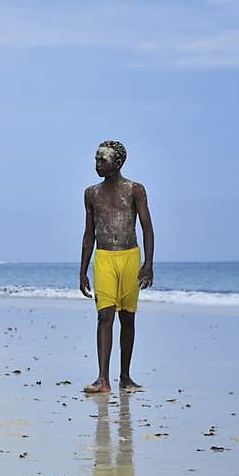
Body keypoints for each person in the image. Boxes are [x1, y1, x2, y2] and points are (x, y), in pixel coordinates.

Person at [79, 140, 154, 393]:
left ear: (118, 163)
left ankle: (125, 377)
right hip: (104, 259)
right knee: (104, 316)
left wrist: (148, 264)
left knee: (128, 318)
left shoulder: (135, 190)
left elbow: (146, 227)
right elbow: (89, 233)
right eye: (96, 159)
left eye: (103, 159)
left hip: (130, 257)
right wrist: (82, 271)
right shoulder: (91, 193)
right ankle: (103, 379)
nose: (98, 164)